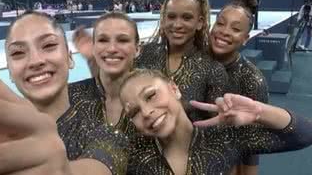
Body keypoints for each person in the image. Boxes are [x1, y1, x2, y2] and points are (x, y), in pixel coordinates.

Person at [0, 10, 128, 175]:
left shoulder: (108, 136)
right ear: (10, 72)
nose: (35, 61)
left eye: (49, 45)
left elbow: (96, 168)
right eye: (18, 53)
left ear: (70, 58)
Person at [73, 0, 228, 120]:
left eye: (186, 18)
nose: (177, 24)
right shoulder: (145, 53)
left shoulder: (213, 69)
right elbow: (114, 89)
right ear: (163, 19)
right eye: (171, 17)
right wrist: (93, 59)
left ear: (200, 22)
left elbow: (214, 128)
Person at [119, 69, 312, 175]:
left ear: (174, 88)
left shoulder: (223, 138)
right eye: (134, 112)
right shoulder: (131, 154)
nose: (146, 112)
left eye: (151, 96)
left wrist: (260, 112)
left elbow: (304, 135)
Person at [208, 0, 268, 175]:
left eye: (235, 29)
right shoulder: (193, 60)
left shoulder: (252, 80)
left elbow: (251, 146)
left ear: (245, 39)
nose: (224, 32)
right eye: (220, 24)